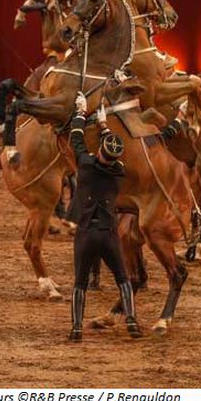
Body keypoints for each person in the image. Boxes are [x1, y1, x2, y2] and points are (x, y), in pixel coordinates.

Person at [68, 91, 142, 341]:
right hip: (109, 233)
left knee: (79, 282)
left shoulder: (86, 166)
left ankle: (76, 329)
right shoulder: (118, 172)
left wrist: (79, 113)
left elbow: (76, 140)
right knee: (122, 278)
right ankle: (131, 320)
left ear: (100, 149)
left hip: (87, 232)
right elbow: (109, 150)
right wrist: (103, 125)